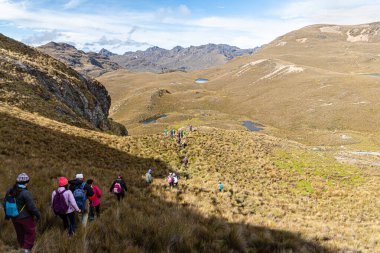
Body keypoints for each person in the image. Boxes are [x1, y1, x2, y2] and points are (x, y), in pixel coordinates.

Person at [3, 173, 40, 253]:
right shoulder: (26, 193)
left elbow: (4, 203)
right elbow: (32, 207)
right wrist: (38, 215)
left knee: (20, 233)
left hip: (14, 217)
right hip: (25, 218)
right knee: (30, 232)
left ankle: (22, 247)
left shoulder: (10, 190)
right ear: (26, 182)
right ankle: (26, 250)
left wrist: (7, 214)